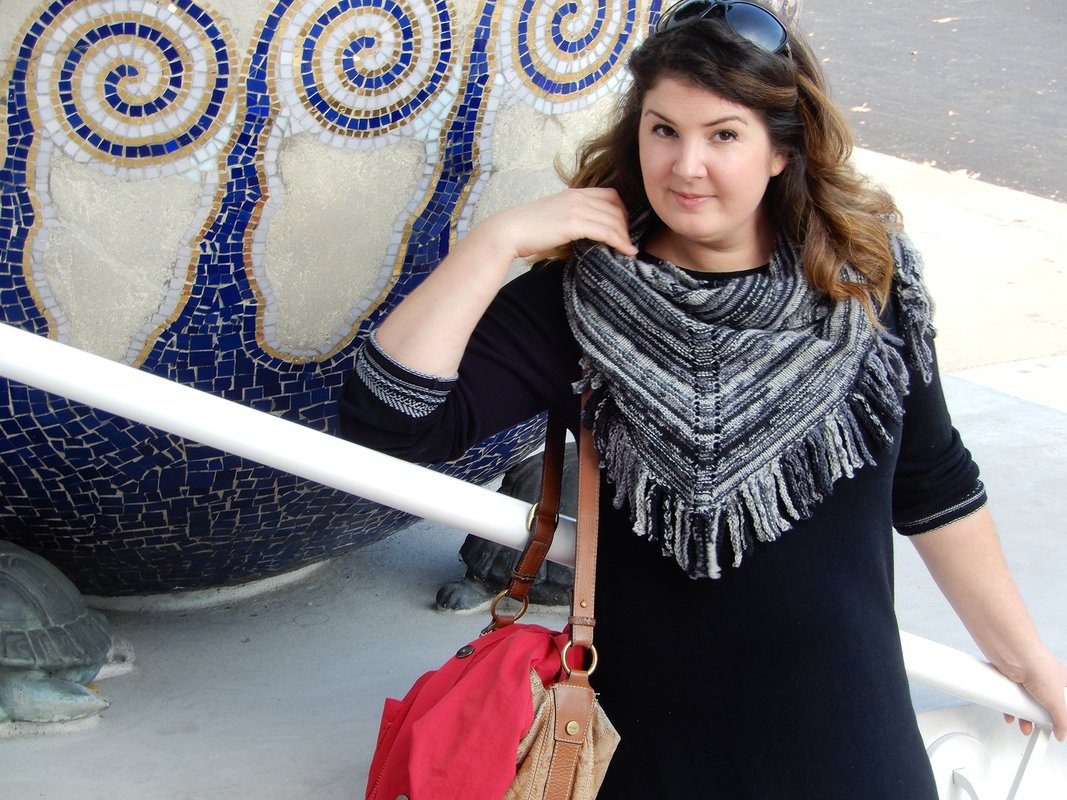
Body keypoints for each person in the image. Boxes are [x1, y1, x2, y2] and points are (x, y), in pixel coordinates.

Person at [338, 1, 1067, 796]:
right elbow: (389, 421)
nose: (686, 166)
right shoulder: (585, 296)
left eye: (722, 135)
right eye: (664, 130)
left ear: (781, 149)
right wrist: (495, 241)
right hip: (645, 749)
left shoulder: (861, 284)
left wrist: (1029, 663)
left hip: (846, 736)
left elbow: (932, 483)